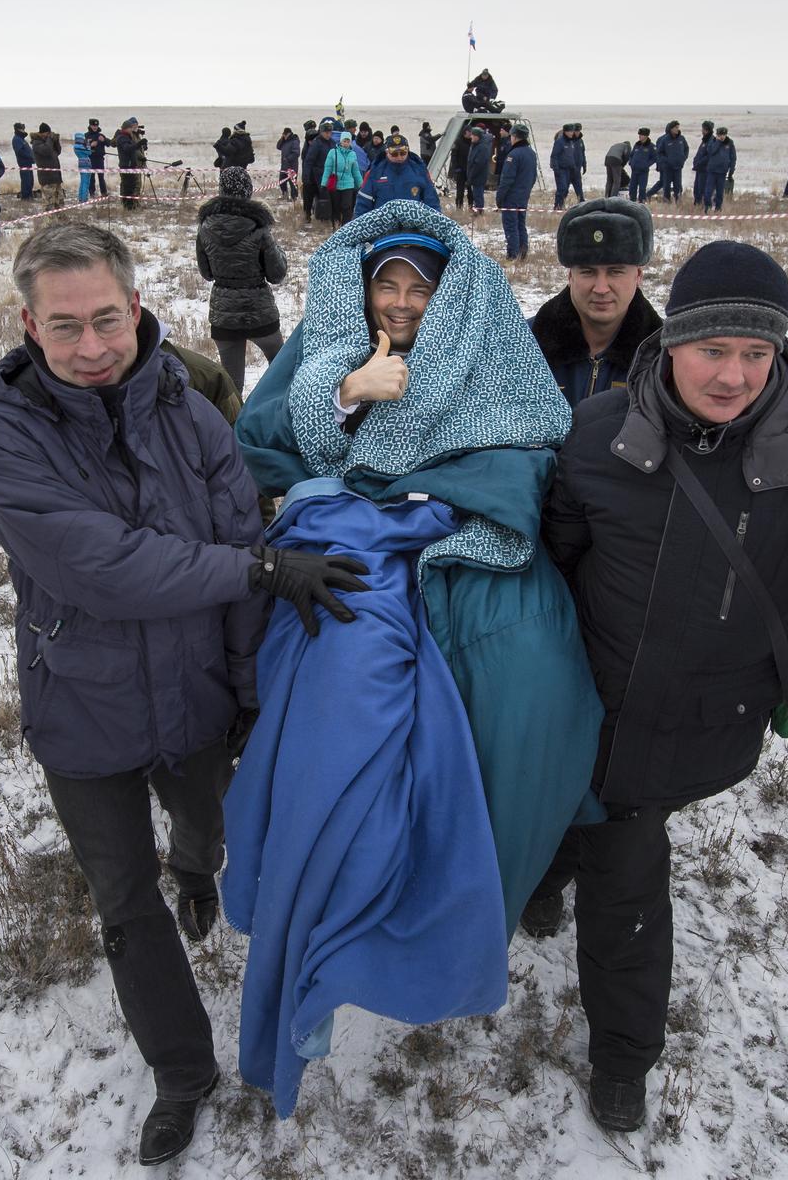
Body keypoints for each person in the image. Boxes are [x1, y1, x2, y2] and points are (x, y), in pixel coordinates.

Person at [527, 238, 788, 1137]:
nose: (733, 376)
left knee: (625, 878)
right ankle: (547, 878)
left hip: (694, 718)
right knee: (582, 822)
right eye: (713, 349)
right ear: (670, 342)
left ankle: (622, 1060)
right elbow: (553, 560)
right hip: (583, 703)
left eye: (757, 352)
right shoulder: (597, 432)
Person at [0, 221, 367, 1164]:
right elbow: (102, 568)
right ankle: (181, 1072)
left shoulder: (193, 413)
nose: (91, 347)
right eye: (65, 326)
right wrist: (255, 570)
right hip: (82, 705)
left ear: (137, 306)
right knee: (122, 900)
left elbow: (239, 538)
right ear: (29, 325)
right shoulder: (6, 439)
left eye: (106, 319)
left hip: (192, 696)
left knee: (206, 830)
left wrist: (250, 692)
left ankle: (196, 868)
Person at [228, 201, 603, 1116]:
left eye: (418, 289)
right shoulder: (329, 346)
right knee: (344, 702)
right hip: (351, 532)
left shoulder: (485, 340)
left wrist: (449, 484)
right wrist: (349, 392)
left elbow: (535, 433)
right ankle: (324, 924)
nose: (399, 302)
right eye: (385, 285)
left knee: (532, 680)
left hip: (458, 520)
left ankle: (474, 898)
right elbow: (266, 442)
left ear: (449, 296)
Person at [529, 199, 661, 408]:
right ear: (570, 276)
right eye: (587, 272)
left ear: (638, 276)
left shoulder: (663, 357)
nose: (601, 288)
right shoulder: (526, 343)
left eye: (615, 272)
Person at [195, 166, 288, 393]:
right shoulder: (259, 227)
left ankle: (235, 416)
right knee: (283, 373)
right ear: (248, 191)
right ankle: (276, 409)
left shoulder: (205, 228)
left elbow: (207, 274)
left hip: (224, 316)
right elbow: (277, 274)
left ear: (221, 191)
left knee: (232, 386)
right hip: (260, 312)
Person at [355, 134, 440, 217]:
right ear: (387, 152)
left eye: (403, 153)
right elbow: (363, 203)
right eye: (394, 154)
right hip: (384, 224)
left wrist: (437, 221)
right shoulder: (375, 172)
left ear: (408, 151)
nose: (399, 157)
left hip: (413, 224)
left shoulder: (420, 170)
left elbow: (432, 201)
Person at [495, 124, 536, 262]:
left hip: (511, 197)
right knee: (520, 225)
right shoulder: (531, 153)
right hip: (523, 196)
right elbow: (533, 177)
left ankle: (512, 255)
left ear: (515, 136)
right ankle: (522, 253)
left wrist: (499, 198)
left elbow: (506, 179)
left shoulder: (513, 154)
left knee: (511, 226)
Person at [321, 130, 363, 230]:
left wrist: (361, 185)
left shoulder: (352, 154)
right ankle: (336, 226)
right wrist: (323, 184)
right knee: (336, 207)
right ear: (340, 141)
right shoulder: (333, 152)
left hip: (348, 185)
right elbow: (327, 169)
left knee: (347, 207)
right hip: (335, 184)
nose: (346, 143)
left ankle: (345, 228)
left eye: (348, 141)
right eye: (344, 141)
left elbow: (355, 171)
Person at [303, 120, 335, 226]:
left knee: (328, 196)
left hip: (330, 175)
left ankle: (326, 217)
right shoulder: (317, 143)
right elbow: (309, 161)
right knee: (311, 197)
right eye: (326, 132)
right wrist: (306, 176)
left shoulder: (332, 143)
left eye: (330, 132)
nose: (328, 134)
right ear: (321, 132)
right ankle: (309, 215)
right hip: (317, 175)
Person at [650, 121, 689, 202]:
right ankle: (665, 202)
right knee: (666, 186)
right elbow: (659, 153)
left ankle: (678, 203)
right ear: (671, 129)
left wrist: (683, 158)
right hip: (667, 168)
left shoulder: (681, 138)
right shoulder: (664, 139)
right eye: (676, 127)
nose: (677, 129)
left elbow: (686, 149)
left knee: (678, 186)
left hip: (678, 167)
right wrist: (665, 161)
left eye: (678, 127)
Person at [30, 123, 64, 210]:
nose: (49, 135)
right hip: (47, 178)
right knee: (49, 204)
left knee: (59, 202)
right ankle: (48, 219)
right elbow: (47, 150)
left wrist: (56, 141)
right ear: (42, 133)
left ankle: (59, 217)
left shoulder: (48, 142)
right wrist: (50, 139)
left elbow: (58, 151)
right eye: (48, 133)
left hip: (56, 177)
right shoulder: (36, 143)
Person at [115, 118, 146, 210]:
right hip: (126, 166)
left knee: (132, 185)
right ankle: (128, 206)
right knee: (127, 187)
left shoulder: (128, 137)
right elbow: (127, 148)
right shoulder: (122, 138)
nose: (132, 129)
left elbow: (133, 150)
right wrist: (138, 144)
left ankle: (132, 205)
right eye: (131, 128)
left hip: (132, 166)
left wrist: (141, 152)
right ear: (126, 128)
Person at [703, 127, 735, 212]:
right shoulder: (713, 142)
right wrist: (718, 142)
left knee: (720, 192)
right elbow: (711, 151)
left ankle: (718, 209)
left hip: (722, 172)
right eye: (720, 135)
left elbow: (733, 157)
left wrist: (731, 170)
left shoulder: (730, 143)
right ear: (717, 135)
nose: (722, 137)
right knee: (708, 191)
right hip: (712, 171)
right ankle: (707, 207)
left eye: (724, 134)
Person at [550, 124, 580, 211]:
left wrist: (574, 167)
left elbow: (571, 156)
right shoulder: (559, 142)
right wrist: (556, 169)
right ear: (565, 132)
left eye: (572, 131)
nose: (571, 133)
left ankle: (561, 204)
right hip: (561, 169)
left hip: (569, 169)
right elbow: (554, 156)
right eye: (570, 131)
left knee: (566, 189)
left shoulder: (571, 142)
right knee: (562, 188)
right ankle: (557, 206)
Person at [465, 124, 492, 213]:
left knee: (478, 195)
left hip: (479, 176)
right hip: (475, 176)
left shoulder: (482, 147)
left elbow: (478, 164)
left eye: (473, 135)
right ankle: (477, 210)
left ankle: (479, 212)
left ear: (477, 136)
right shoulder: (475, 145)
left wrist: (471, 176)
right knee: (476, 195)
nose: (471, 137)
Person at [628, 129, 657, 203]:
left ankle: (642, 203)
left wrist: (646, 164)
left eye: (641, 135)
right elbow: (631, 155)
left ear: (646, 136)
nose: (639, 136)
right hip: (634, 170)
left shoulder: (651, 146)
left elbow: (655, 157)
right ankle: (631, 203)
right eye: (639, 135)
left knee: (642, 188)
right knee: (632, 188)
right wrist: (631, 162)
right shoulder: (637, 145)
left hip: (643, 171)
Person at [300, 120, 320, 221]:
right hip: (309, 178)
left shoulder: (318, 146)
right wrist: (305, 177)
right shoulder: (307, 148)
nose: (312, 142)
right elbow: (305, 162)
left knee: (318, 199)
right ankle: (307, 216)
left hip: (317, 177)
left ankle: (318, 216)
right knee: (308, 200)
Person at [691, 121, 714, 206]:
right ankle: (697, 205)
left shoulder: (711, 140)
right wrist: (695, 161)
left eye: (703, 129)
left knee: (702, 189)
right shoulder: (704, 140)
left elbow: (709, 156)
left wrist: (699, 162)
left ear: (707, 130)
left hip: (705, 169)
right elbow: (700, 153)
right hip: (699, 169)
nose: (702, 131)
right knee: (696, 189)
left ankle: (704, 207)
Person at [85, 118, 110, 197]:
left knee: (101, 177)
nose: (95, 127)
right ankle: (92, 193)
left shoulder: (100, 135)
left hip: (100, 159)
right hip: (90, 159)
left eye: (96, 125)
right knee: (91, 177)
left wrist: (104, 140)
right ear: (90, 125)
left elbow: (109, 144)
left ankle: (104, 192)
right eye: (93, 125)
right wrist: (90, 145)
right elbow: (83, 147)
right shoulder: (86, 135)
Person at [12, 123, 36, 200]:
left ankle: (29, 195)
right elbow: (19, 152)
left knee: (30, 181)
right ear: (18, 129)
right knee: (26, 182)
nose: (23, 130)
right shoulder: (16, 139)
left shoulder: (22, 139)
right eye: (22, 128)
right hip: (23, 163)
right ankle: (25, 197)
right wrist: (29, 156)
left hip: (28, 163)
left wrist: (32, 157)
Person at [276, 127, 300, 201]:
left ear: (288, 134)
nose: (284, 136)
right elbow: (278, 146)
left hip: (292, 166)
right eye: (283, 135)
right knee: (281, 181)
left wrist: (288, 158)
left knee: (292, 183)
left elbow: (296, 153)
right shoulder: (284, 141)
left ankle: (294, 197)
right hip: (284, 166)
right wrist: (282, 138)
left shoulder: (294, 141)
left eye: (285, 135)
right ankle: (285, 194)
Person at [72, 132, 93, 203]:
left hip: (81, 164)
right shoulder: (80, 147)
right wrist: (88, 144)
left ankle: (81, 198)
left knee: (82, 182)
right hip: (86, 164)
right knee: (86, 183)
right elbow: (89, 152)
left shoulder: (75, 147)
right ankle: (84, 199)